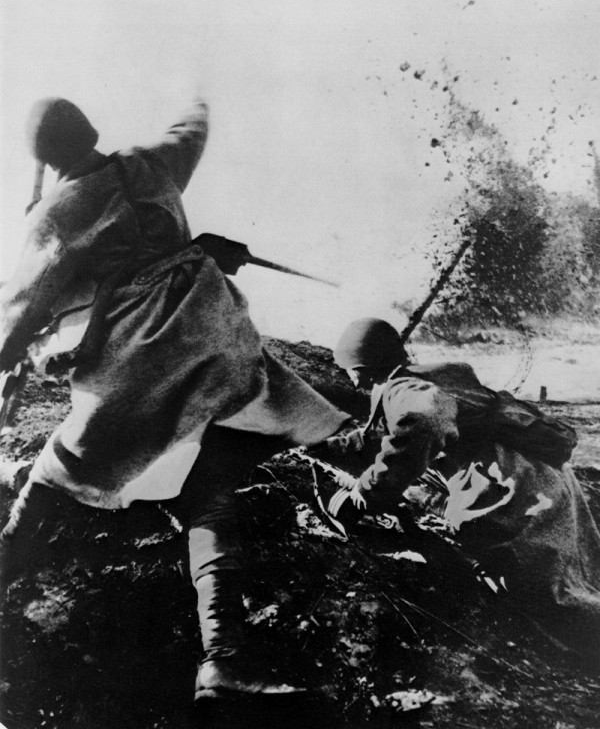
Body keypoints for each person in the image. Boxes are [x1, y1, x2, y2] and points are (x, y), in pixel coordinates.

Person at [0, 95, 349, 698]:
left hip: (139, 362)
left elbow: (19, 309)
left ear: (46, 159)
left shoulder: (57, 212)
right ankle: (223, 660)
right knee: (209, 490)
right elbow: (191, 127)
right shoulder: (151, 162)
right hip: (215, 342)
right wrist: (199, 91)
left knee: (60, 475)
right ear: (91, 130)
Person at [308, 317, 600, 655]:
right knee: (583, 570)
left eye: (348, 368)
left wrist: (365, 493)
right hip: (545, 472)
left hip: (516, 484)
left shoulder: (403, 389)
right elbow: (384, 435)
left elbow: (423, 423)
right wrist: (329, 448)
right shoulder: (425, 376)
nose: (348, 377)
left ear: (361, 366)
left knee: (550, 593)